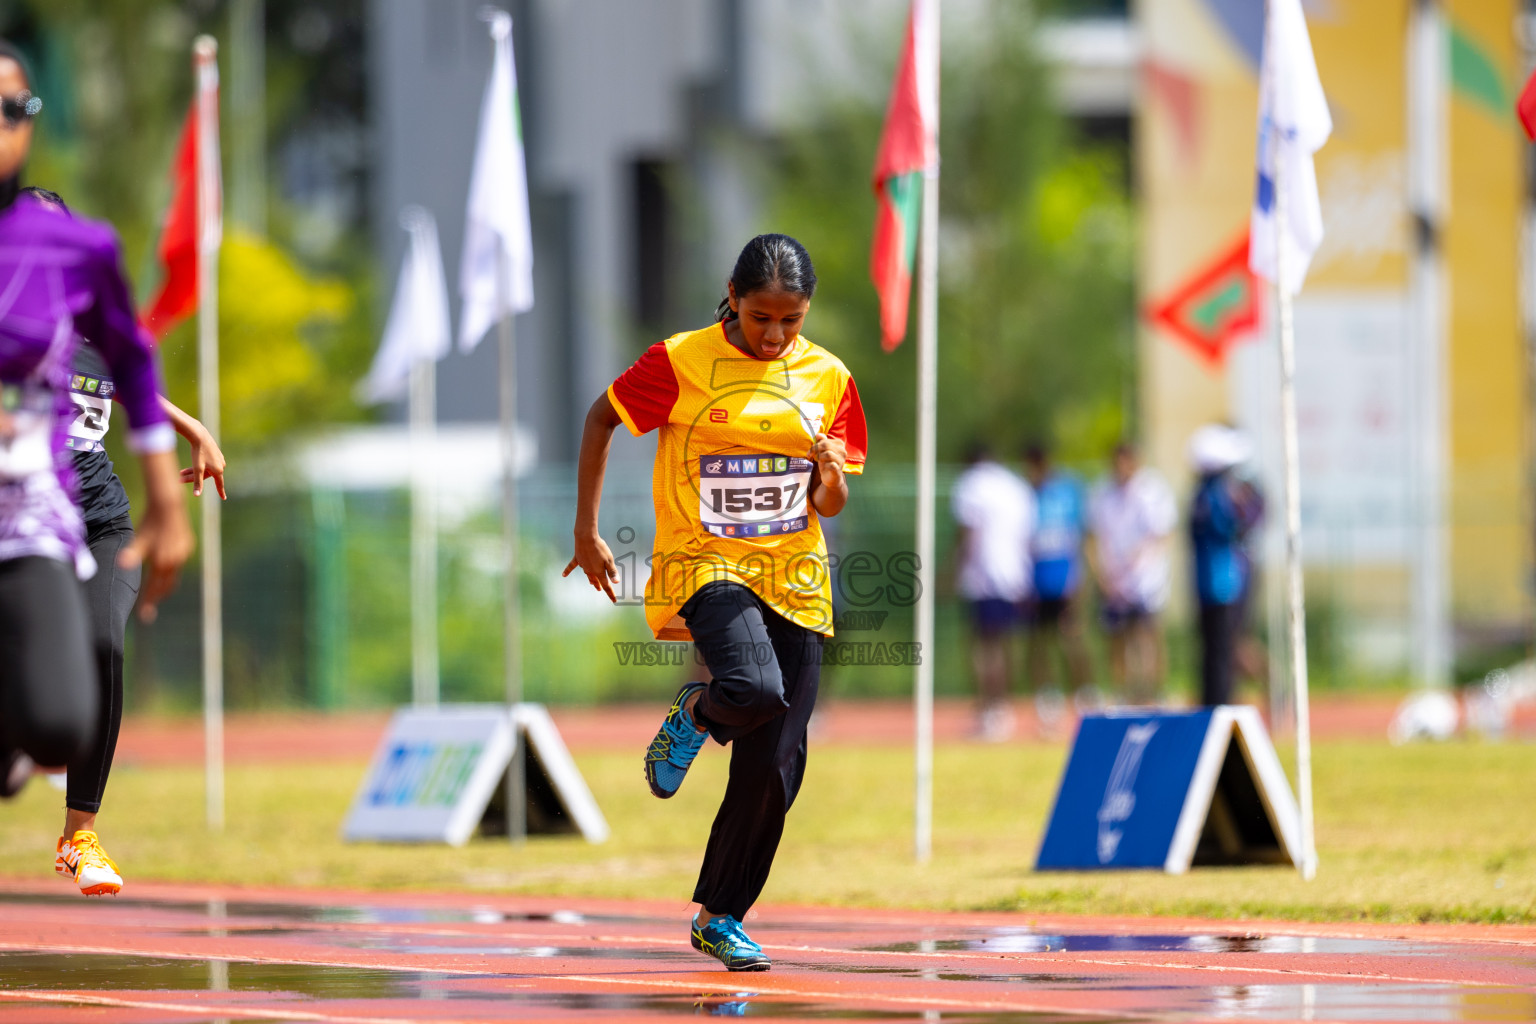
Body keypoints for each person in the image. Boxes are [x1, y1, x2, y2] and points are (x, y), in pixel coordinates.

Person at [564, 234, 865, 971]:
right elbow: (601, 419)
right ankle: (694, 715)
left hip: (796, 578)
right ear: (732, 296)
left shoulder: (828, 378)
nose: (774, 335)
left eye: (790, 320)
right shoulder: (679, 362)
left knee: (776, 767)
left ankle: (720, 916)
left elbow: (829, 501)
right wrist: (586, 529)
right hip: (706, 565)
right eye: (761, 316)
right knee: (751, 688)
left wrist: (830, 474)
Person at [0, 41, 192, 861]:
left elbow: (134, 363)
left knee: (59, 721)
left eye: (15, 108)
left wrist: (167, 498)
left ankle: (77, 825)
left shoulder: (84, 255)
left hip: (46, 512)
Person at [9, 187, 226, 897]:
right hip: (22, 523)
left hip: (100, 519)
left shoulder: (93, 323)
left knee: (104, 646)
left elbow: (131, 376)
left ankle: (80, 834)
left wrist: (192, 430)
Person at [950, 442, 1033, 740]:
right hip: (1015, 574)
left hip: (983, 575)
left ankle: (990, 707)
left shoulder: (972, 485)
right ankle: (1003, 705)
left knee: (985, 646)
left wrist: (952, 570)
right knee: (1006, 644)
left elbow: (966, 532)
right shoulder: (1016, 486)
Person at [1087, 441, 1176, 704]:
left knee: (1148, 636)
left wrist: (1141, 559)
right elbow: (1092, 536)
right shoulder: (1102, 492)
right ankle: (1123, 693)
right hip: (1113, 581)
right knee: (1117, 639)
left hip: (1144, 581)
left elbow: (1163, 533)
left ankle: (1153, 692)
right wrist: (1100, 573)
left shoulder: (1153, 491)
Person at [1188, 424, 1264, 707]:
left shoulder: (1200, 495)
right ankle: (1220, 703)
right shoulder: (1216, 495)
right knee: (1222, 651)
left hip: (1209, 583)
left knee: (1215, 651)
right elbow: (1235, 525)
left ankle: (1215, 702)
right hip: (1222, 583)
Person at [1021, 443, 1093, 723]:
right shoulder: (1024, 495)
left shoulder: (1068, 492)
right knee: (1039, 644)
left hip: (1064, 581)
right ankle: (1047, 696)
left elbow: (1082, 536)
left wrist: (1081, 578)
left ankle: (1084, 692)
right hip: (1035, 583)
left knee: (1073, 641)